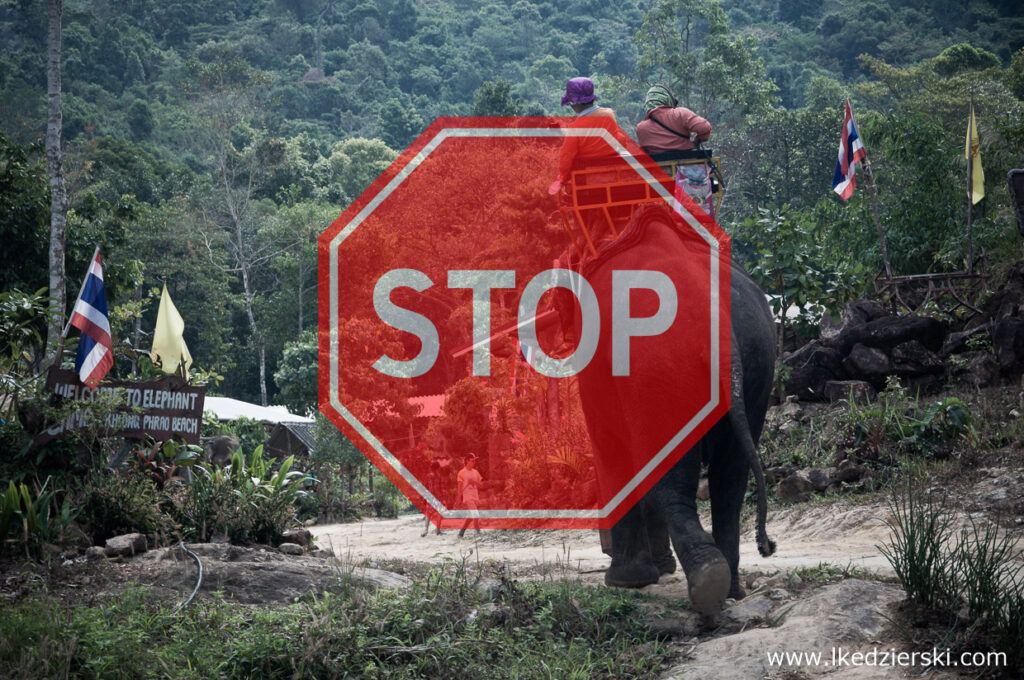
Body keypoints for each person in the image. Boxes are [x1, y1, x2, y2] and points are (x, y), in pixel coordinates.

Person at [548, 77, 619, 197]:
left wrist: (561, 179)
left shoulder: (575, 128)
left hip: (587, 182)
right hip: (614, 174)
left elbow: (566, 157)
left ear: (576, 103)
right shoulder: (609, 114)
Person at [634, 84, 711, 154]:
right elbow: (705, 127)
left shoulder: (640, 128)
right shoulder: (680, 114)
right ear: (668, 99)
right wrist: (697, 141)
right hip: (689, 166)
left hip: (657, 168)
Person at [456, 453, 483, 538]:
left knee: (471, 517)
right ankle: (478, 534)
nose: (474, 462)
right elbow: (459, 488)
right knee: (476, 515)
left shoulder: (476, 472)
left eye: (474, 460)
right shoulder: (461, 473)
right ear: (467, 461)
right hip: (468, 497)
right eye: (472, 461)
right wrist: (458, 499)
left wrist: (474, 482)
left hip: (475, 496)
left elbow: (481, 485)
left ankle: (461, 533)